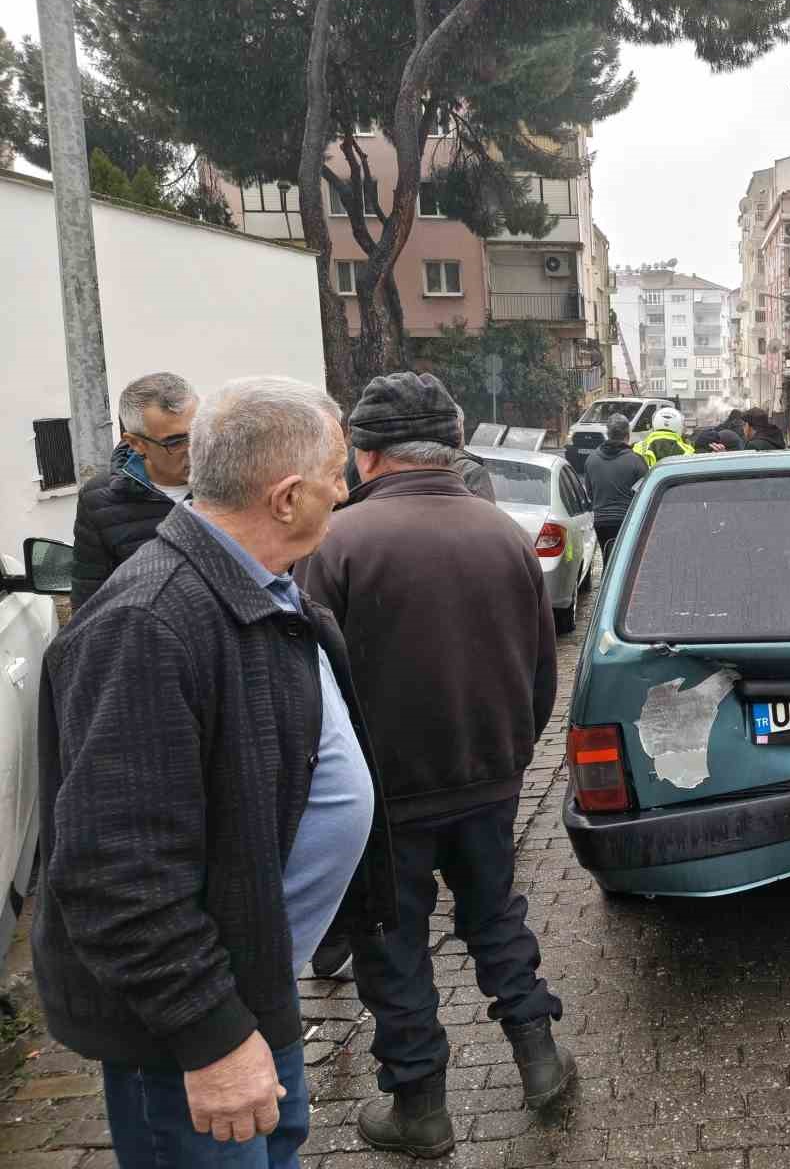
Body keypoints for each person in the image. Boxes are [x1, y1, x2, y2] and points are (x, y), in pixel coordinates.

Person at [34, 377, 392, 1169]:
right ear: (287, 497)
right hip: (194, 1035)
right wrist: (213, 1037)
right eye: (334, 474)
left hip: (253, 986)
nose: (345, 490)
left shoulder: (259, 586)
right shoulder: (147, 623)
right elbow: (115, 873)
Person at [297, 373, 571, 1157]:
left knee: (391, 943)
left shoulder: (337, 542)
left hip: (382, 797)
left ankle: (420, 1107)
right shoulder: (504, 533)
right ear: (453, 447)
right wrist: (509, 758)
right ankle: (540, 1059)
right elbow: (541, 668)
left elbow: (308, 685)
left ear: (366, 454)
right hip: (488, 777)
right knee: (495, 915)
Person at [70, 372, 199, 609]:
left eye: (200, 432)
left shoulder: (238, 480)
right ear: (136, 443)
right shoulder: (99, 501)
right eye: (176, 442)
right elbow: (90, 605)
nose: (195, 448)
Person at [588, 413, 649, 555]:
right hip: (628, 521)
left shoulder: (591, 460)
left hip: (601, 521)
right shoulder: (636, 461)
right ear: (628, 434)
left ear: (607, 434)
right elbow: (645, 494)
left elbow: (590, 493)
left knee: (607, 559)